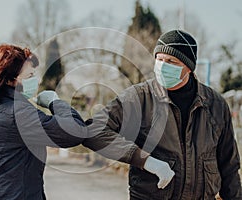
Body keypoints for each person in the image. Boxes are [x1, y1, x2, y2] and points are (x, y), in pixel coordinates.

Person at [0, 44, 174, 200]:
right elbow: (73, 132)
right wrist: (55, 103)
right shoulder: (17, 113)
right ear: (9, 79)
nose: (35, 80)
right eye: (29, 76)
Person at [81, 30, 242, 199]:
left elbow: (229, 166)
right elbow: (93, 130)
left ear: (188, 67)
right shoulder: (138, 98)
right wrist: (145, 160)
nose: (163, 66)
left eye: (171, 61)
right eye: (159, 59)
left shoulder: (215, 104)